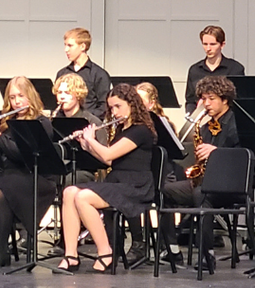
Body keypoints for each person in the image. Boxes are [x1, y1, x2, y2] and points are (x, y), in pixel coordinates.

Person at [56, 83, 157, 273]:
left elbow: (109, 155)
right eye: (111, 108)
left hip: (135, 186)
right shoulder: (121, 129)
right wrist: (86, 145)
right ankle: (71, 255)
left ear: (132, 104)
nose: (114, 112)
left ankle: (105, 252)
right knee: (69, 191)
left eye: (118, 106)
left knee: (83, 197)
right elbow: (110, 161)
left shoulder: (141, 130)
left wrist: (92, 139)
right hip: (117, 181)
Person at [0, 77, 54, 268]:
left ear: (30, 96)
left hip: (35, 176)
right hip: (10, 174)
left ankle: (1, 250)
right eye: (12, 97)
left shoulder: (41, 122)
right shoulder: (9, 122)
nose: (16, 101)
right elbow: (0, 153)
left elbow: (21, 154)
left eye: (21, 96)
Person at [160, 74, 240, 273]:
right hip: (205, 180)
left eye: (211, 99)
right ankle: (172, 248)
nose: (206, 104)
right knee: (164, 190)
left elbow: (243, 156)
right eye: (204, 99)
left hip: (231, 183)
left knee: (201, 194)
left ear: (225, 100)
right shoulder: (204, 127)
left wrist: (216, 152)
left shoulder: (237, 124)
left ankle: (207, 254)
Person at [184, 26, 244, 114]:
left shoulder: (235, 69)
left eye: (212, 44)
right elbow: (190, 100)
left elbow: (239, 101)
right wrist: (193, 116)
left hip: (227, 122)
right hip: (202, 120)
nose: (208, 49)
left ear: (222, 45)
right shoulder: (194, 70)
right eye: (205, 44)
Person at [53, 27, 111, 119]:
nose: (66, 49)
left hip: (88, 124)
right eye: (65, 45)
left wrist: (85, 118)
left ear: (83, 46)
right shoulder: (62, 73)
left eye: (70, 45)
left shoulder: (99, 74)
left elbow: (103, 106)